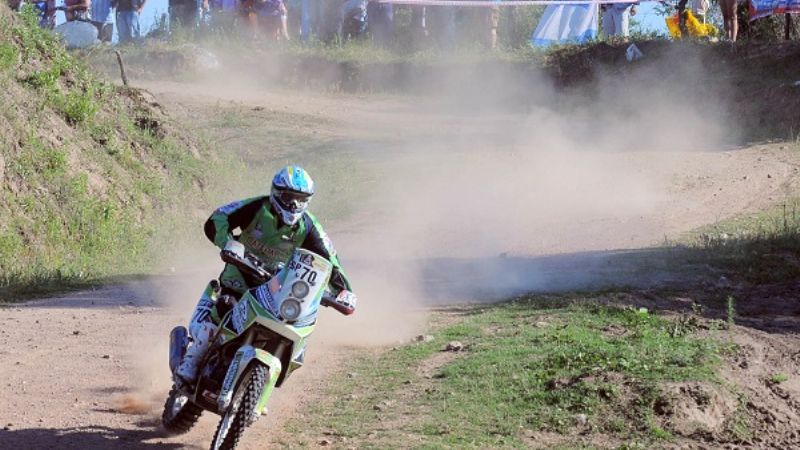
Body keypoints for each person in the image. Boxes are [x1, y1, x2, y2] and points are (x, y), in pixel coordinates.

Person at [175, 165, 357, 384]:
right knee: (225, 305)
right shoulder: (257, 207)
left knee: (288, 321)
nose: (294, 205)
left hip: (276, 284)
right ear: (276, 193)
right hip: (240, 273)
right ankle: (192, 361)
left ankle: (255, 384)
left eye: (301, 199)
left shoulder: (308, 226)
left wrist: (345, 291)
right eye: (289, 197)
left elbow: (330, 260)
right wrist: (228, 243)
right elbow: (219, 218)